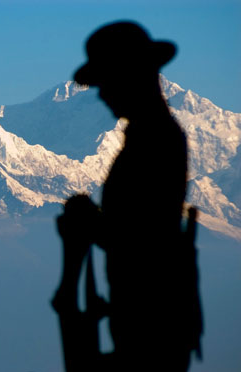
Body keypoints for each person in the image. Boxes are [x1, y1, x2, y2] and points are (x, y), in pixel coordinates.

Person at [52, 21, 203, 371]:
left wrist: (89, 224)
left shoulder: (155, 142)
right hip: (151, 323)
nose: (103, 93)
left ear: (130, 76)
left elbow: (143, 236)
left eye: (107, 81)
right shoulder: (152, 137)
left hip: (151, 326)